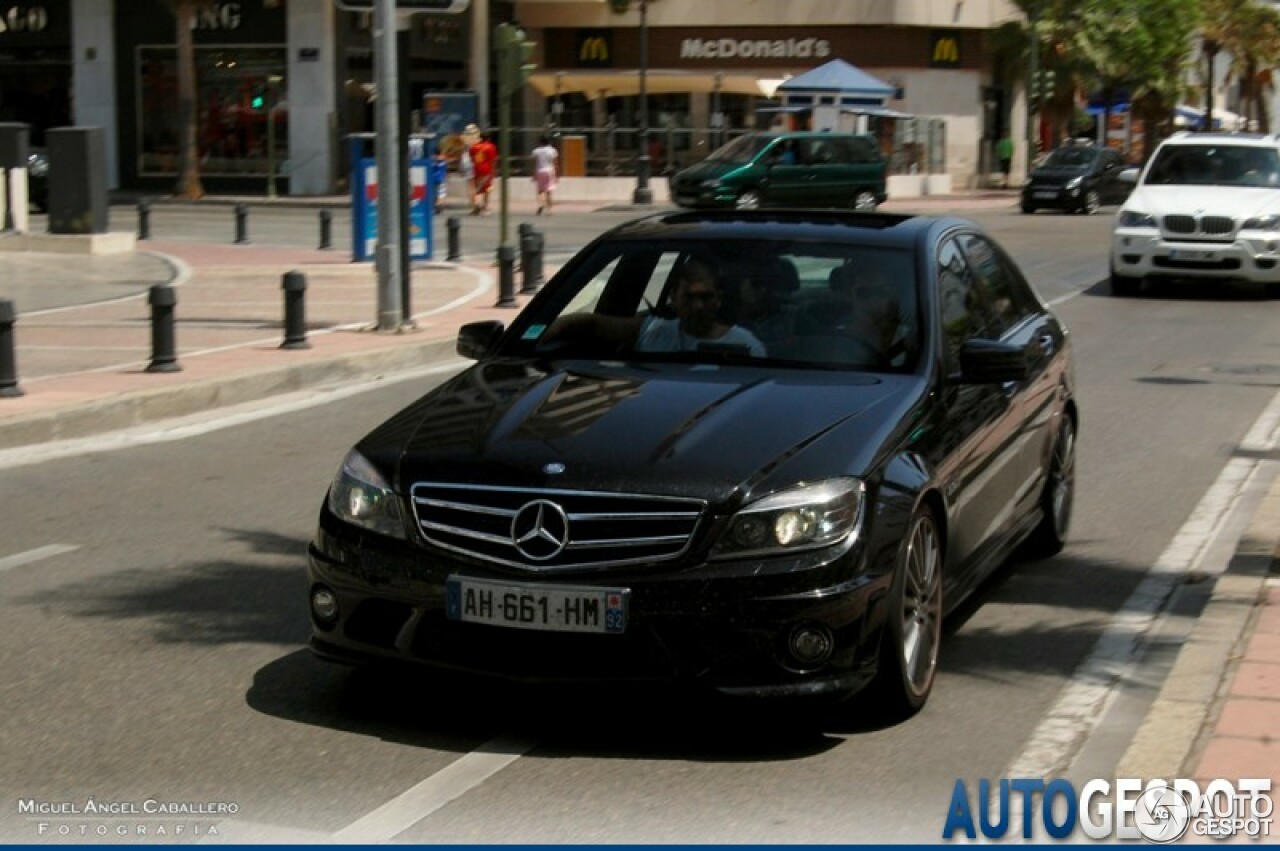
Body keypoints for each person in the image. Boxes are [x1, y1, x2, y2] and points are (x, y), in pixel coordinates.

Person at [545, 259, 765, 356]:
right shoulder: (652, 331)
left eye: (706, 297)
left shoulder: (746, 346)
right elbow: (591, 324)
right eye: (689, 297)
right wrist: (539, 334)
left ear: (719, 299)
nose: (698, 306)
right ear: (673, 298)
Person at [469, 130, 497, 215]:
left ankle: (476, 204)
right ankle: (485, 205)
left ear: (480, 138)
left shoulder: (474, 147)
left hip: (477, 169)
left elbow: (472, 158)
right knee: (487, 188)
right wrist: (494, 170)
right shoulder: (491, 147)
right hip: (487, 169)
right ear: (488, 138)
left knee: (477, 188)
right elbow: (493, 160)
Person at [531, 135, 559, 215]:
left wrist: (534, 174)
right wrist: (556, 174)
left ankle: (541, 204)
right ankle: (549, 209)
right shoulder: (552, 150)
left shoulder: (536, 151)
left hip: (540, 171)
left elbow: (534, 163)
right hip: (549, 171)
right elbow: (555, 163)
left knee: (540, 191)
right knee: (549, 191)